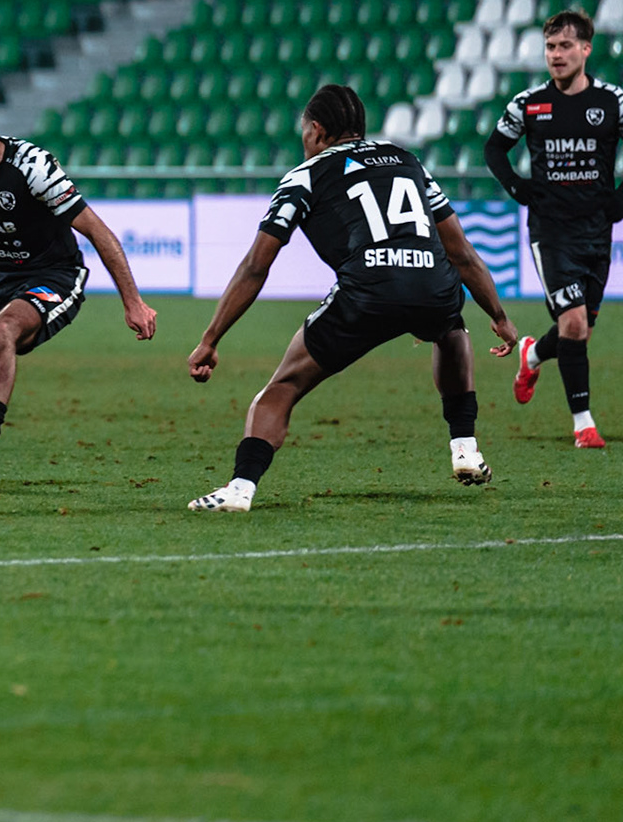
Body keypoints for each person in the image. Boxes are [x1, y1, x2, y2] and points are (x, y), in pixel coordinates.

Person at [187, 84, 519, 512]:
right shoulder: (407, 162)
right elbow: (461, 252)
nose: (303, 140)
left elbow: (256, 265)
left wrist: (211, 338)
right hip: (430, 282)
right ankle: (465, 447)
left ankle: (240, 488)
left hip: (368, 292)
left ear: (318, 130)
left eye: (304, 132)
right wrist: (499, 315)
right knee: (450, 324)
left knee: (283, 386)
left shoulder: (304, 176)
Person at [0, 86, 158, 492]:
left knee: (2, 331)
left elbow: (98, 231)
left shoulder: (33, 166)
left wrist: (133, 303)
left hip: (53, 274)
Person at [484, 8, 623, 449]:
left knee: (577, 328)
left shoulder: (612, 102)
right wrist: (517, 187)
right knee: (575, 322)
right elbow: (494, 149)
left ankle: (531, 354)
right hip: (551, 232)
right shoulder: (529, 104)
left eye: (565, 46)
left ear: (586, 49)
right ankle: (584, 423)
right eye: (550, 47)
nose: (556, 55)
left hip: (597, 231)